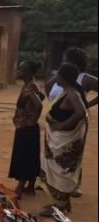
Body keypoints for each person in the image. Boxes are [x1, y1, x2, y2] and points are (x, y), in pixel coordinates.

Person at [46, 47, 97, 198]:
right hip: (57, 122)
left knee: (70, 155)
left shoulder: (84, 79)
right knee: (53, 154)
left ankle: (70, 185)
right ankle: (53, 182)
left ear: (73, 62)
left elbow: (80, 111)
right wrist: (55, 103)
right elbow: (48, 86)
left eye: (65, 59)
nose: (62, 61)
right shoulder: (63, 76)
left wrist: (88, 104)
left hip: (72, 124)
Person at [40, 63, 89, 215]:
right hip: (58, 140)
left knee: (61, 172)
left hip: (63, 142)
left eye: (58, 75)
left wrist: (61, 125)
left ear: (64, 77)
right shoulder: (67, 91)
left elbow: (80, 112)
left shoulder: (72, 93)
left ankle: (59, 207)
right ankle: (60, 204)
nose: (56, 77)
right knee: (57, 171)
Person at [9, 61, 45, 199]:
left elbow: (39, 105)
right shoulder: (31, 84)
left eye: (21, 70)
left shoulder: (29, 87)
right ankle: (30, 186)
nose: (18, 71)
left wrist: (32, 120)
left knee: (23, 157)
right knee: (30, 156)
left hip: (26, 127)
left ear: (28, 73)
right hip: (27, 126)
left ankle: (19, 188)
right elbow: (42, 96)